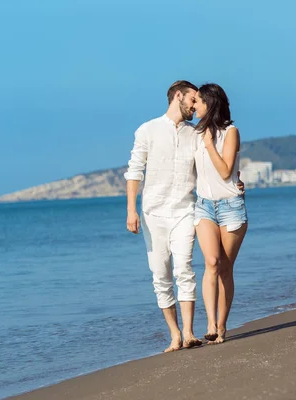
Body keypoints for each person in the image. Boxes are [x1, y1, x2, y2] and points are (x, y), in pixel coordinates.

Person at [124, 80, 203, 352]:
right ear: (178, 96)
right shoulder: (148, 130)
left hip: (185, 210)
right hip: (152, 214)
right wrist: (131, 210)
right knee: (161, 275)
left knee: (185, 269)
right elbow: (135, 171)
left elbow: (205, 168)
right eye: (193, 99)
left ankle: (190, 332)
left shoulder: (195, 133)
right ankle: (175, 335)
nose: (196, 105)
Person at [192, 83, 248, 344]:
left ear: (210, 104)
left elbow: (226, 172)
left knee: (225, 268)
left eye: (199, 102)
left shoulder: (230, 132)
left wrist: (209, 145)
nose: (195, 106)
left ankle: (222, 326)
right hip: (204, 206)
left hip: (230, 207)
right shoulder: (194, 134)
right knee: (212, 262)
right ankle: (211, 323)